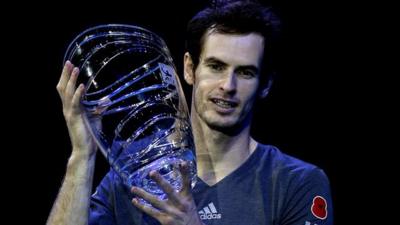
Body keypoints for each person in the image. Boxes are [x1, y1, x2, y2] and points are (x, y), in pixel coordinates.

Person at [47, 1, 333, 225]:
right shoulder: (135, 178)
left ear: (266, 84)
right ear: (188, 68)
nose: (228, 86)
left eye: (245, 72)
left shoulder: (296, 183)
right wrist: (82, 156)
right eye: (216, 66)